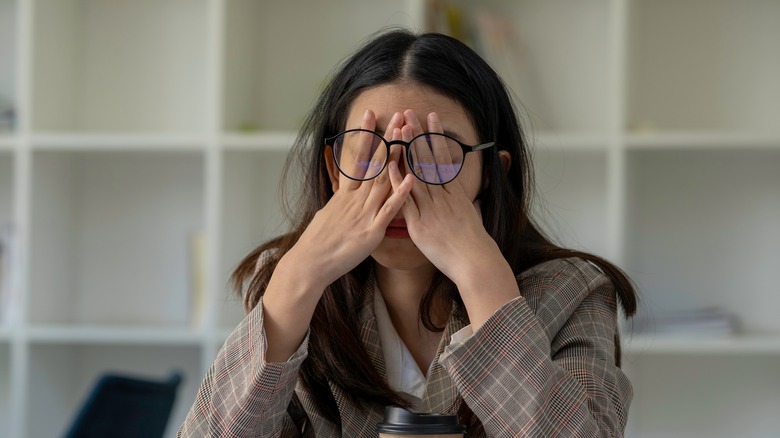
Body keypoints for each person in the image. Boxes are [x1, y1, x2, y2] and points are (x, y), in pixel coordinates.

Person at [178, 28, 637, 437]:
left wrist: (483, 278)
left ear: (491, 176)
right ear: (335, 174)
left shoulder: (572, 291)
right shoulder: (291, 285)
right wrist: (298, 277)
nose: (398, 184)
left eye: (436, 154)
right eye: (370, 151)